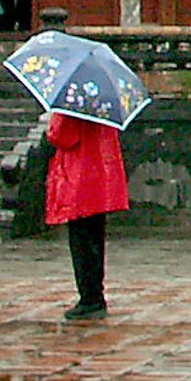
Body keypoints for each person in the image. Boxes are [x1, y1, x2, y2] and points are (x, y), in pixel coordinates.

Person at [44, 107, 127, 321]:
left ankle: (89, 298)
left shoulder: (72, 106)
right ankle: (95, 294)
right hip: (100, 176)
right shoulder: (104, 105)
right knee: (95, 240)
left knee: (81, 241)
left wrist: (52, 122)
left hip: (79, 177)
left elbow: (61, 136)